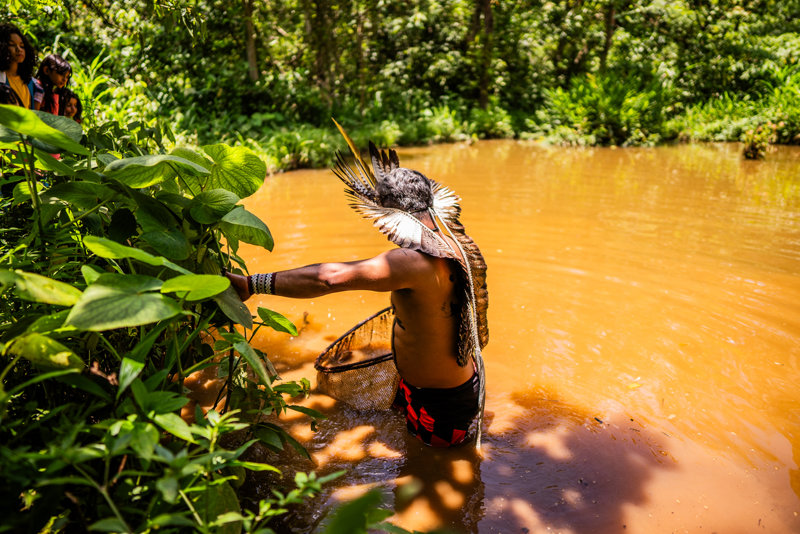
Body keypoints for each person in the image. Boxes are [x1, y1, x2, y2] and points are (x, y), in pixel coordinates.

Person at [226, 123, 489, 448]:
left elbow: (328, 278)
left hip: (441, 402)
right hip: (444, 386)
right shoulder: (452, 244)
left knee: (429, 471)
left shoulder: (410, 262)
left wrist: (252, 284)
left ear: (389, 215)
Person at [0, 23, 41, 109]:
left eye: (22, 46)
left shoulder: (29, 81)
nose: (19, 49)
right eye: (12, 45)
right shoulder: (1, 79)